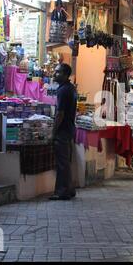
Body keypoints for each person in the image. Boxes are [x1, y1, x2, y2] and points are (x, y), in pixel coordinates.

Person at [49, 63, 78, 201]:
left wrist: (54, 131)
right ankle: (69, 189)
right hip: (69, 129)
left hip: (63, 130)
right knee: (66, 161)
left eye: (58, 72)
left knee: (62, 162)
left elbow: (60, 114)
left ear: (66, 75)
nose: (55, 74)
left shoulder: (63, 90)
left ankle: (62, 191)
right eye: (55, 71)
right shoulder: (70, 88)